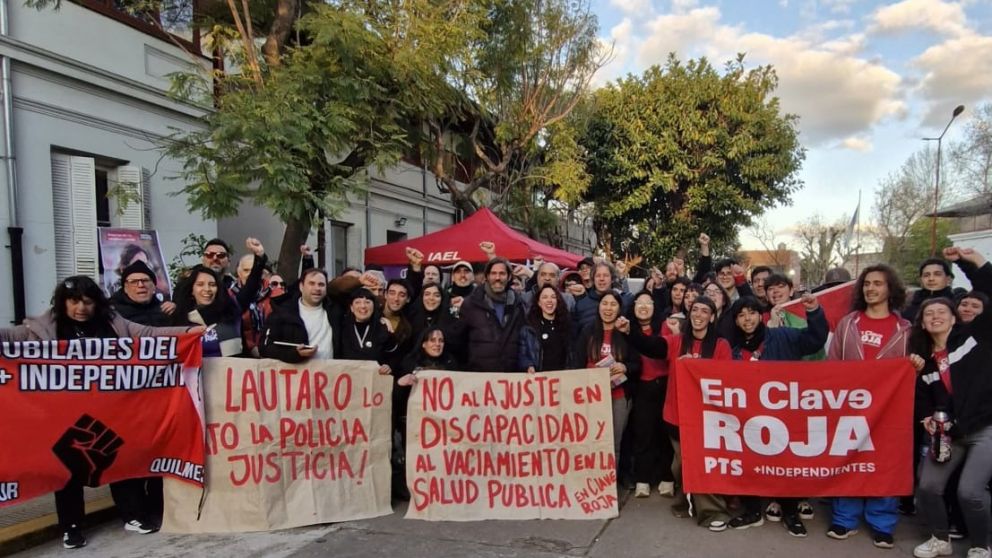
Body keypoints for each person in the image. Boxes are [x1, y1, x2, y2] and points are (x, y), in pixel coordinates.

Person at [0, 276, 200, 549]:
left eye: (87, 301)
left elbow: (149, 336)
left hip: (110, 410)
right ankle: (71, 526)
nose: (80, 308)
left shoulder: (114, 324)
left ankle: (132, 514)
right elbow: (7, 339)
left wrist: (191, 334)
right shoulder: (40, 329)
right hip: (61, 414)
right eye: (73, 301)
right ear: (62, 303)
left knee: (120, 458)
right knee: (66, 469)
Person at [616, 296, 733, 529]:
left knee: (699, 464)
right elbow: (651, 346)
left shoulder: (721, 346)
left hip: (707, 418)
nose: (698, 315)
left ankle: (711, 512)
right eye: (695, 310)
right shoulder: (676, 341)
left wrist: (699, 367)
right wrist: (630, 331)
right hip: (676, 415)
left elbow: (727, 377)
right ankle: (683, 500)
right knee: (679, 466)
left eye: (704, 311)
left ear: (712, 317)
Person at [909, 247, 992, 558]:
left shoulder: (976, 338)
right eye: (929, 313)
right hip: (949, 434)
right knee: (928, 486)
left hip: (985, 428)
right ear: (923, 323)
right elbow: (922, 400)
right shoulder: (924, 362)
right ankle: (940, 539)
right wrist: (926, 419)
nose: (935, 316)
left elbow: (989, 288)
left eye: (941, 311)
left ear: (955, 316)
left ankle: (981, 545)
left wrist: (973, 263)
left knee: (970, 492)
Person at [726, 294, 829, 537]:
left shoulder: (783, 336)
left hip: (785, 416)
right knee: (749, 462)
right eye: (741, 315)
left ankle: (790, 513)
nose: (747, 319)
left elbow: (815, 340)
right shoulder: (734, 352)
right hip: (749, 418)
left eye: (751, 313)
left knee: (786, 463)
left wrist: (814, 312)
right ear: (736, 322)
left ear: (760, 316)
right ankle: (752, 511)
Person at [827, 264, 911, 549]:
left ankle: (882, 522)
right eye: (866, 284)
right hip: (849, 407)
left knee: (884, 464)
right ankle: (844, 518)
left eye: (878, 284)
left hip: (888, 411)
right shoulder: (848, 324)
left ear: (890, 289)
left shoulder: (905, 330)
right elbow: (832, 364)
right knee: (848, 458)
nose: (871, 289)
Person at [574, 291, 641, 464]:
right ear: (598, 307)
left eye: (613, 304)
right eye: (605, 303)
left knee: (613, 444)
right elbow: (576, 363)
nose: (608, 308)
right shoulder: (588, 330)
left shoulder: (625, 332)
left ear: (620, 308)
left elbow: (637, 363)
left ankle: (610, 488)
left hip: (618, 398)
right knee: (591, 443)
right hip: (590, 396)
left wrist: (625, 366)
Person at [627, 290, 677, 499]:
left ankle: (666, 478)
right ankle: (643, 479)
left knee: (664, 434)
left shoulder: (666, 326)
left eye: (649, 303)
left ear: (655, 307)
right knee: (642, 433)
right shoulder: (627, 329)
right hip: (641, 387)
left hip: (665, 385)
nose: (644, 306)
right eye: (640, 302)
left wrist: (675, 334)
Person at [447, 257, 526, 372]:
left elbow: (524, 339)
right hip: (480, 379)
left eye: (502, 273)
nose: (497, 278)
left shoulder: (518, 305)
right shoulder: (471, 304)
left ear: (509, 277)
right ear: (487, 277)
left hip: (510, 378)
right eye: (493, 273)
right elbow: (459, 341)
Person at [262, 268, 341, 363]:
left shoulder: (336, 311)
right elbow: (264, 347)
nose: (317, 288)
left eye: (321, 284)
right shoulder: (282, 313)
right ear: (301, 286)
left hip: (331, 375)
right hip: (296, 375)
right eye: (311, 283)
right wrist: (294, 354)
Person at [171, 265, 242, 357]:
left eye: (212, 285)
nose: (207, 289)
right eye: (200, 284)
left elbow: (234, 361)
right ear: (191, 290)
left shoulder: (228, 315)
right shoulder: (179, 317)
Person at [518, 284, 573, 373]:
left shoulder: (567, 324)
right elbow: (522, 354)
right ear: (539, 303)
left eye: (553, 297)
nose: (549, 300)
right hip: (540, 381)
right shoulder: (529, 329)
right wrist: (528, 365)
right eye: (544, 297)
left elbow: (572, 354)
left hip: (563, 380)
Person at [110, 261, 171, 327]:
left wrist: (177, 312)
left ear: (154, 286)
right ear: (125, 288)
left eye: (145, 280)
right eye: (134, 282)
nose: (141, 285)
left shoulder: (165, 308)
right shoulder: (112, 312)